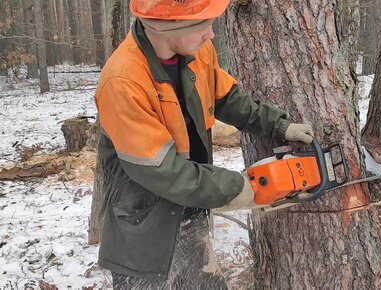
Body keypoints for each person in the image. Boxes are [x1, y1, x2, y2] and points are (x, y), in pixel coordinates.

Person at [94, 0, 314, 288]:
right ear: (169, 26)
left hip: (192, 204)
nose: (210, 34)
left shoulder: (197, 51)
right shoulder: (122, 81)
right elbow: (161, 170)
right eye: (201, 25)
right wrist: (235, 188)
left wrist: (278, 126)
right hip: (143, 223)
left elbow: (227, 99)